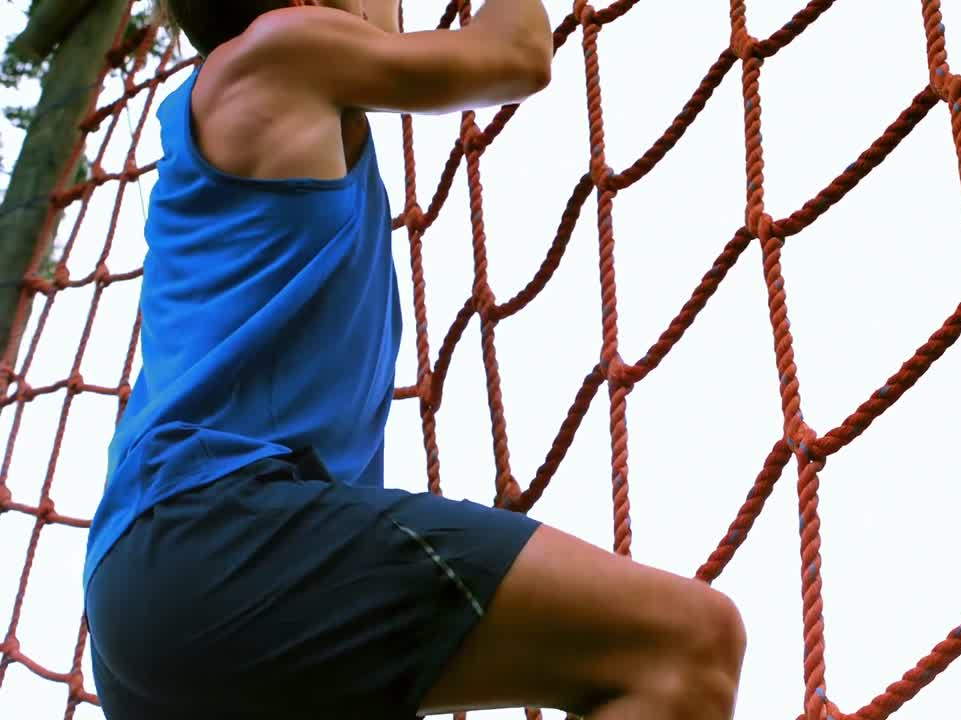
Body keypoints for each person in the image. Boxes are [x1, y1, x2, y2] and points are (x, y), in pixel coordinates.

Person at [81, 1, 747, 718]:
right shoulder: (279, 50)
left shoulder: (247, 110)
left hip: (154, 604)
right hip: (214, 533)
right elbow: (519, 53)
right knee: (684, 645)